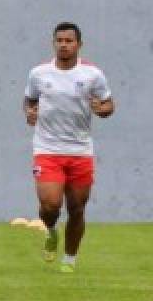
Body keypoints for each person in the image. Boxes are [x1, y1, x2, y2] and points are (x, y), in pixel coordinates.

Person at [24, 22, 114, 273]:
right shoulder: (39, 73)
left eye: (69, 41)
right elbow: (29, 99)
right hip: (47, 149)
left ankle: (70, 259)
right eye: (59, 40)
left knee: (76, 208)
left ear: (79, 44)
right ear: (54, 43)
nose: (64, 45)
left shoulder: (92, 75)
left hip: (80, 150)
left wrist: (101, 109)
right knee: (51, 205)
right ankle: (51, 230)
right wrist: (29, 112)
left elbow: (108, 104)